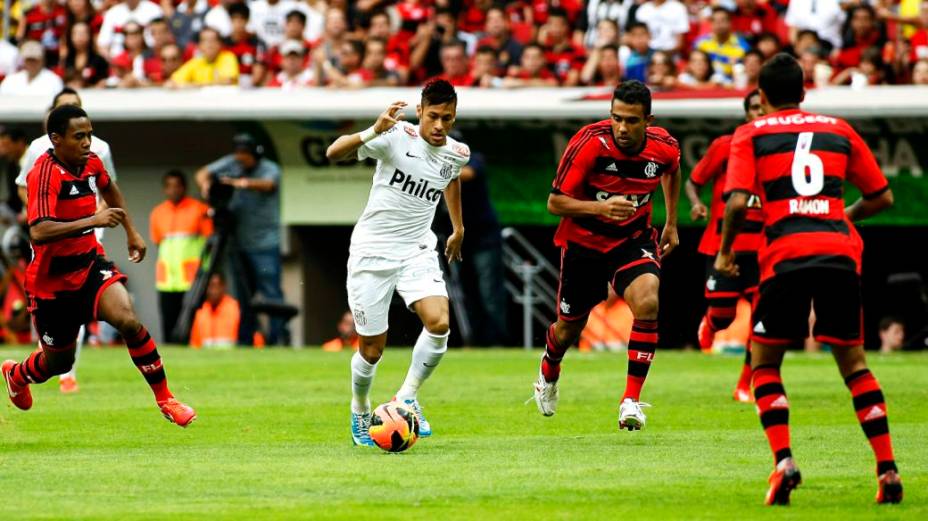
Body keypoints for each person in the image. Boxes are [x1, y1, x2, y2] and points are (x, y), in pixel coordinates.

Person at [716, 53, 901, 505]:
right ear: (804, 92)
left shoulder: (749, 133)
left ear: (761, 95)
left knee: (764, 365)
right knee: (854, 365)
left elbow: (738, 203)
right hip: (839, 253)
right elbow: (882, 196)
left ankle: (783, 463)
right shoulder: (838, 129)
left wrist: (724, 253)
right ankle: (888, 469)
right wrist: (842, 216)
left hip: (785, 256)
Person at [1, 105, 196, 427]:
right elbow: (39, 230)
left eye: (89, 134)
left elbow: (110, 188)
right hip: (52, 282)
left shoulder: (91, 163)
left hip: (90, 264)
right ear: (56, 139)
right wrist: (92, 219)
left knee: (128, 320)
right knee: (59, 363)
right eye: (79, 136)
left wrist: (132, 232)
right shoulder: (43, 173)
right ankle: (16, 374)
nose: (87, 143)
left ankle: (166, 399)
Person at [325, 79, 468, 446]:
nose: (439, 126)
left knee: (439, 323)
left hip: (416, 250)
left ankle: (406, 396)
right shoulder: (395, 136)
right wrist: (373, 129)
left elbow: (450, 179)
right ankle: (359, 410)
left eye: (447, 119)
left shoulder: (457, 152)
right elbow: (333, 152)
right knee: (372, 349)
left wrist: (457, 226)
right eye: (433, 116)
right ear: (419, 111)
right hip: (372, 252)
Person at [532, 80, 681, 431]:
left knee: (647, 302)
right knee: (569, 329)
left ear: (649, 120)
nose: (622, 128)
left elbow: (672, 171)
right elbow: (555, 202)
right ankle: (549, 370)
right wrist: (598, 209)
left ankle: (630, 400)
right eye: (617, 118)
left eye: (631, 120)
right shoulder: (589, 143)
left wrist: (671, 222)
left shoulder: (664, 147)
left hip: (633, 239)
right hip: (584, 243)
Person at [17, 87, 117, 393]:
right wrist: (40, 213)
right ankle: (52, 359)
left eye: (77, 106)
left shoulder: (100, 148)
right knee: (55, 312)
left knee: (93, 303)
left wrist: (108, 217)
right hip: (51, 239)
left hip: (90, 238)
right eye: (65, 107)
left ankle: (68, 372)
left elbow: (109, 185)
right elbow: (24, 185)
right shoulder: (38, 149)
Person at [685, 89, 765, 403]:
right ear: (747, 113)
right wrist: (696, 204)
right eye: (755, 108)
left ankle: (745, 384)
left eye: (764, 107)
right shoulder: (726, 146)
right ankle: (711, 321)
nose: (760, 112)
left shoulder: (780, 149)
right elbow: (694, 181)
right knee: (724, 316)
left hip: (762, 249)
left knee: (762, 322)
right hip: (722, 247)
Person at [195, 133, 288, 346]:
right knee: (243, 296)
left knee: (271, 293)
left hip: (265, 243)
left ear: (254, 153)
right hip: (238, 243)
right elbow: (203, 173)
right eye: (238, 153)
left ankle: (277, 340)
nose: (240, 158)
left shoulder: (269, 168)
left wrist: (238, 183)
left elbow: (268, 185)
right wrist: (206, 186)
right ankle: (245, 340)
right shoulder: (232, 162)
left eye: (244, 154)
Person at [149, 170, 212, 343]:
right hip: (167, 279)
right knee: (168, 322)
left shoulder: (200, 209)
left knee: (192, 323)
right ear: (164, 189)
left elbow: (210, 243)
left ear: (184, 187)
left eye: (177, 186)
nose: (173, 190)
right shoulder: (157, 213)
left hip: (192, 278)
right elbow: (157, 241)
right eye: (169, 186)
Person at [167, 27, 239, 87]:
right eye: (205, 41)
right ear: (199, 46)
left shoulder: (228, 57)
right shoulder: (196, 62)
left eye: (213, 40)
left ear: (220, 44)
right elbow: (172, 82)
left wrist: (193, 85)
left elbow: (228, 81)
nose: (209, 45)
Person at [189, 273, 240, 349]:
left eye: (216, 287)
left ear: (223, 287)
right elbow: (194, 344)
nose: (213, 291)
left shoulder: (234, 308)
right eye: (210, 287)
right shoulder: (201, 310)